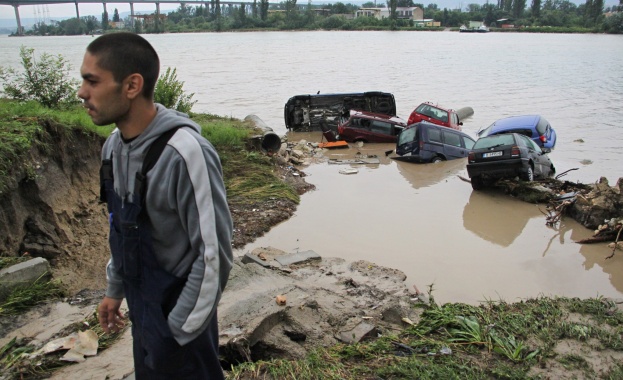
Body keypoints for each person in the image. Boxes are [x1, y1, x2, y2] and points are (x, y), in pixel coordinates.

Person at [77, 32, 234, 379]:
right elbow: (120, 227)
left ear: (132, 85)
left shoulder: (186, 153)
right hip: (141, 311)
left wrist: (176, 332)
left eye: (92, 81)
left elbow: (214, 255)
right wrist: (115, 290)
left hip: (182, 326)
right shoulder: (113, 149)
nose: (82, 92)